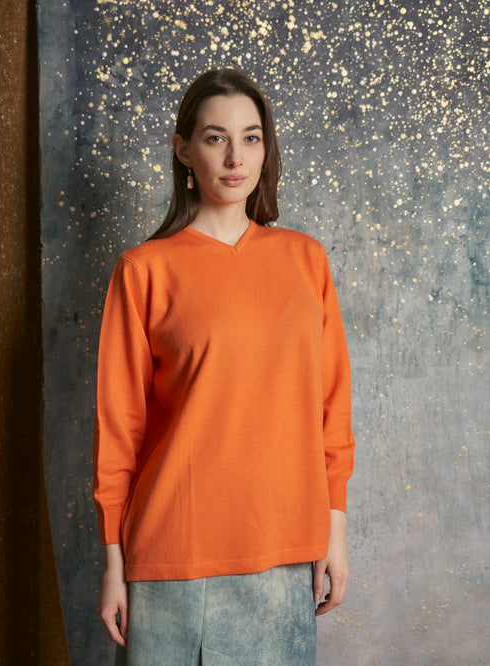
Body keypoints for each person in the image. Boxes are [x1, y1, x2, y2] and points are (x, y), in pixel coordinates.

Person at [93, 68, 355, 665]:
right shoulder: (144, 271)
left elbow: (332, 409)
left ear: (266, 149)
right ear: (184, 150)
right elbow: (118, 431)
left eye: (251, 138)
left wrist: (335, 533)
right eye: (215, 138)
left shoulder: (305, 260)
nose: (235, 157)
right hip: (171, 559)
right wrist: (113, 564)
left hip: (284, 551)